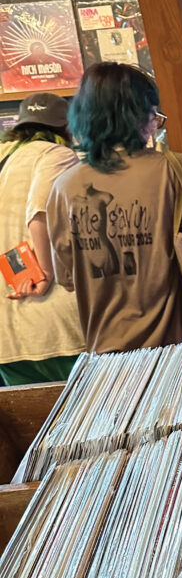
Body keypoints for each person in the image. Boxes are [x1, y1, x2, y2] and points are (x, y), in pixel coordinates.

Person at [46, 63, 182, 354]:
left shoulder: (63, 187)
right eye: (155, 116)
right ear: (141, 117)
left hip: (109, 358)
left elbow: (66, 279)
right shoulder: (178, 171)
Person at [0, 93, 84, 386]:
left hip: (7, 337)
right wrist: (46, 273)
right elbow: (41, 213)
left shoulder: (4, 158)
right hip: (51, 326)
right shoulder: (55, 154)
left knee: (32, 427)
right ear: (66, 126)